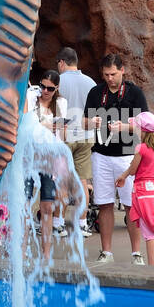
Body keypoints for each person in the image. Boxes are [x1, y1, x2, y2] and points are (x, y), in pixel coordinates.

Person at [84, 54, 146, 265]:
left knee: (131, 205)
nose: (110, 78)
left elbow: (146, 125)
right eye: (106, 75)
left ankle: (136, 253)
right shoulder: (95, 92)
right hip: (100, 153)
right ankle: (106, 252)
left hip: (127, 154)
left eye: (113, 74)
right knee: (104, 203)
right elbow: (84, 122)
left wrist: (125, 127)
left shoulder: (134, 92)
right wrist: (92, 121)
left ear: (123, 70)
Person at [25, 71, 68, 263]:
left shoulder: (60, 105)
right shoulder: (32, 98)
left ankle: (46, 254)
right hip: (30, 158)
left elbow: (62, 137)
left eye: (50, 88)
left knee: (47, 207)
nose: (45, 91)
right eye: (43, 86)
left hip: (49, 160)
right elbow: (25, 124)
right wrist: (45, 125)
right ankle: (23, 250)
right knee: (24, 206)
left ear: (56, 88)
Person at [115, 112, 154, 267]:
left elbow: (133, 169)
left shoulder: (141, 148)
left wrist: (124, 175)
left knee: (149, 234)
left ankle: (151, 269)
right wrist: (123, 176)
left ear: (142, 130)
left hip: (144, 192)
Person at [57, 47, 97, 236]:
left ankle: (59, 223)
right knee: (82, 180)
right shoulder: (90, 82)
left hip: (64, 136)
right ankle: (82, 223)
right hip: (85, 136)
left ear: (62, 63)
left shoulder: (58, 81)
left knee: (62, 180)